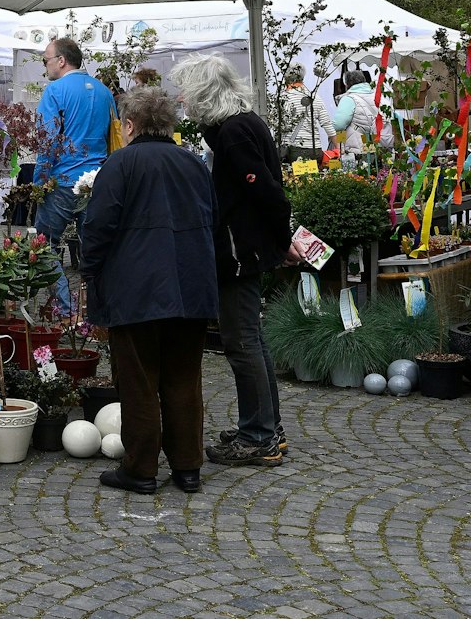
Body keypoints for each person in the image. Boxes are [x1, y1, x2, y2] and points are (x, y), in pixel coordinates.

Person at [79, 86, 217, 495]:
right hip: (190, 286)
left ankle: (140, 469)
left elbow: (98, 227)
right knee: (183, 379)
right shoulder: (194, 165)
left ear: (131, 124)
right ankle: (187, 466)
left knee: (138, 381)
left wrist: (89, 273)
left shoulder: (121, 164)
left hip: (136, 288)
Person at [173, 55, 295, 468]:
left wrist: (284, 240)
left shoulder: (234, 133)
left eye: (188, 91)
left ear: (205, 93)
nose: (183, 100)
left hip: (241, 253)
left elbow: (268, 194)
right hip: (247, 249)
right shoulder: (238, 125)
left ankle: (259, 436)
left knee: (241, 342)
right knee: (250, 341)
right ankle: (263, 426)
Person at [36, 37, 116, 310]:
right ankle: (97, 308)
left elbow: (47, 141)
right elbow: (113, 137)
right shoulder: (104, 92)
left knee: (43, 245)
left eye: (46, 59)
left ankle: (65, 307)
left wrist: (39, 181)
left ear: (61, 60)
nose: (44, 65)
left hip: (63, 179)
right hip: (98, 179)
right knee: (94, 247)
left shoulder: (55, 91)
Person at [272, 69, 332, 163]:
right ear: (302, 78)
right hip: (315, 149)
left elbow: (278, 125)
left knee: (294, 177)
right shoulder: (315, 97)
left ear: (287, 79)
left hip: (294, 149)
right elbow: (327, 124)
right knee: (313, 177)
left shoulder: (284, 98)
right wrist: (338, 147)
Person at [331, 70, 393, 154]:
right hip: (381, 144)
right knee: (378, 165)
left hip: (359, 147)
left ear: (347, 84)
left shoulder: (349, 99)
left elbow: (338, 125)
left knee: (365, 165)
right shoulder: (380, 96)